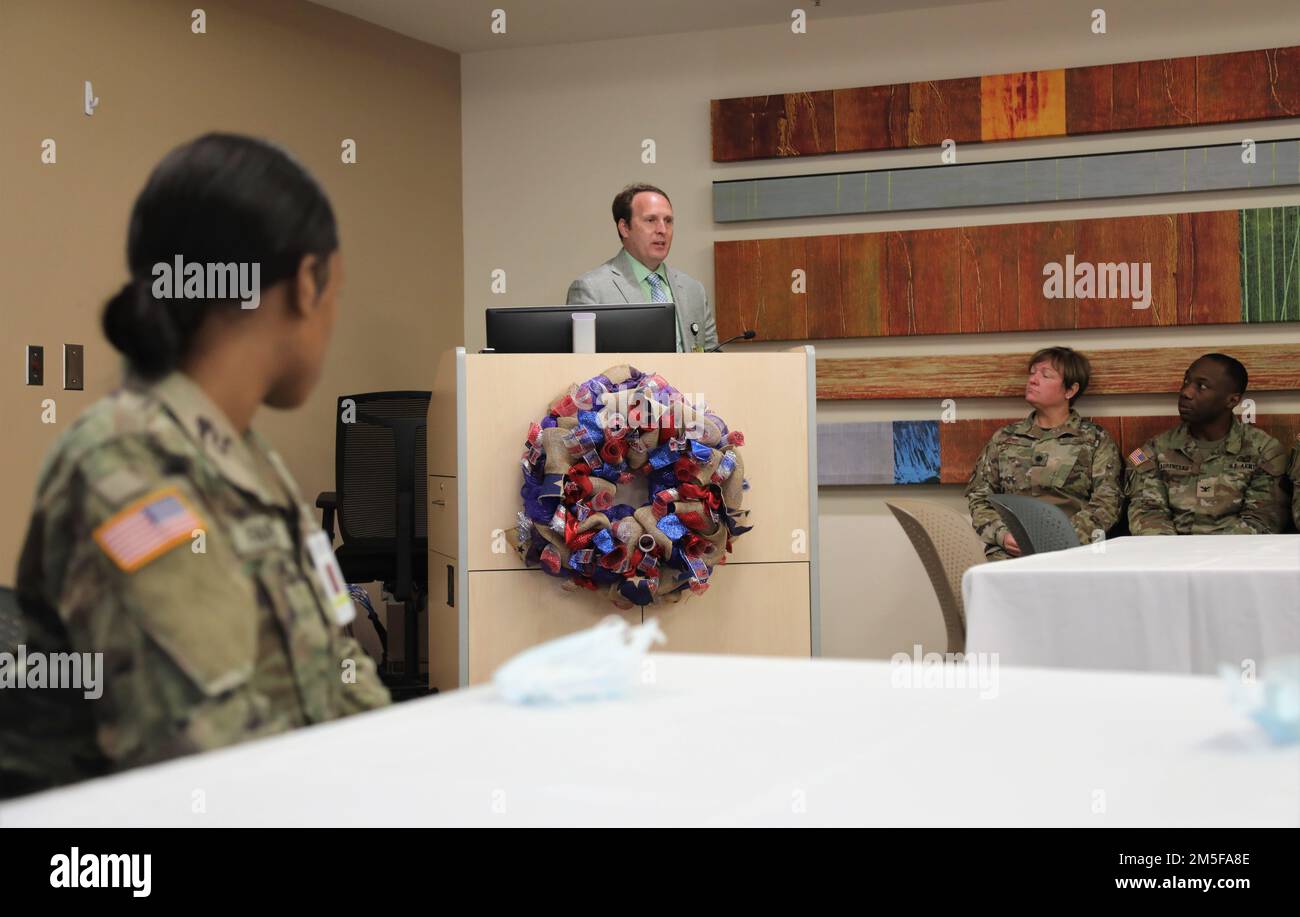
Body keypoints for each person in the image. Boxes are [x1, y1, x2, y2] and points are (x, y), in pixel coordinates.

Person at [1, 133, 389, 798]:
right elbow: (204, 757)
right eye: (336, 293)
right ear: (305, 283)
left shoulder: (250, 459)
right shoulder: (125, 465)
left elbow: (339, 671)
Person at [966, 347, 1122, 560]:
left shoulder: (1095, 439)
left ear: (1070, 390)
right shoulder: (1004, 438)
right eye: (1032, 373)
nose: (1033, 380)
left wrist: (1062, 539)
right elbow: (980, 496)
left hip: (1075, 550)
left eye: (1045, 375)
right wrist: (1002, 535)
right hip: (1011, 552)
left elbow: (1108, 501)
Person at [1126, 354, 1288, 535]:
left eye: (1201, 386)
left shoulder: (1264, 452)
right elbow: (1147, 513)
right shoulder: (1155, 450)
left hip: (1237, 558)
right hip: (1170, 557)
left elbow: (1262, 520)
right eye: (1186, 381)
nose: (1186, 392)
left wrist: (1214, 559)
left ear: (1232, 400)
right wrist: (1175, 556)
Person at [567, 183, 718, 352]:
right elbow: (581, 367)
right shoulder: (591, 290)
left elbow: (713, 355)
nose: (662, 230)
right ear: (624, 228)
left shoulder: (693, 290)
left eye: (668, 221)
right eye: (651, 220)